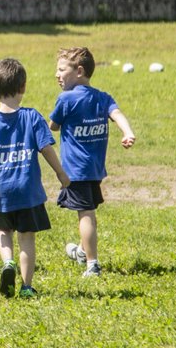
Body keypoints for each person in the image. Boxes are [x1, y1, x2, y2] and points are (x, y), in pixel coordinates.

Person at [0, 58, 70, 298]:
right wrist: (60, 173)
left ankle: (8, 262)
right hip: (28, 192)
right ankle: (26, 286)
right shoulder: (33, 117)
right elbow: (47, 149)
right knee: (27, 239)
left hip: (3, 192)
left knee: (4, 232)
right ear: (23, 87)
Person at [49, 47, 135, 277]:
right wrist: (127, 132)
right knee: (86, 209)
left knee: (85, 214)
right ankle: (80, 251)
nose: (56, 75)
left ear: (79, 71)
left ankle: (92, 263)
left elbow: (53, 127)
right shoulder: (102, 97)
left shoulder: (66, 99)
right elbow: (117, 114)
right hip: (95, 169)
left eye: (61, 69)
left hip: (75, 170)